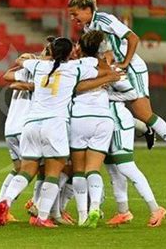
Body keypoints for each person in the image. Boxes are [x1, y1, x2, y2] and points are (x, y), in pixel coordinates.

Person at [67, 0, 166, 174]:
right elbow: (106, 51)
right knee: (102, 103)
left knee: (145, 113)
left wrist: (124, 63)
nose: (73, 18)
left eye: (75, 14)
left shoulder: (105, 19)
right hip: (114, 68)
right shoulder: (88, 27)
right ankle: (144, 128)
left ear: (86, 9)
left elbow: (133, 38)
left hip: (132, 67)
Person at [0, 37, 114, 227]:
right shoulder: (74, 68)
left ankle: (5, 202)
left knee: (27, 170)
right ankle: (42, 217)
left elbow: (19, 62)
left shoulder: (39, 66)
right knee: (53, 173)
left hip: (31, 125)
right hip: (54, 125)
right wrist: (109, 76)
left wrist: (31, 58)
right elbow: (103, 70)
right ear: (69, 54)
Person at [68, 30, 118, 228]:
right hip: (104, 119)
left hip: (80, 118)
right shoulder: (106, 67)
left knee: (79, 170)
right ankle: (95, 206)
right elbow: (114, 76)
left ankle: (82, 216)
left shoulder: (73, 65)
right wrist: (107, 77)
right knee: (93, 169)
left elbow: (77, 87)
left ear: (81, 46)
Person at [0, 64, 33, 223]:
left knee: (18, 169)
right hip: (25, 127)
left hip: (10, 128)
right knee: (38, 168)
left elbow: (7, 76)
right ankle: (40, 208)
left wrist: (21, 61)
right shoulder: (45, 72)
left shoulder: (22, 72)